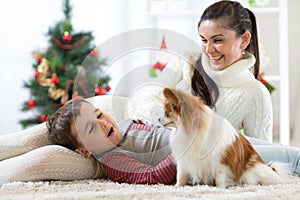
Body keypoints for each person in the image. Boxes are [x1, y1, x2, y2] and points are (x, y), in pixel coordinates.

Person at [0, 0, 299, 185]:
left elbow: (255, 151)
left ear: (244, 39)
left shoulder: (254, 94)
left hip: (208, 142)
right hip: (119, 108)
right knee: (37, 139)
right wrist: (177, 127)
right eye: (204, 39)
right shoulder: (186, 61)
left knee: (288, 159)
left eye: (218, 40)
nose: (208, 49)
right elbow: (147, 99)